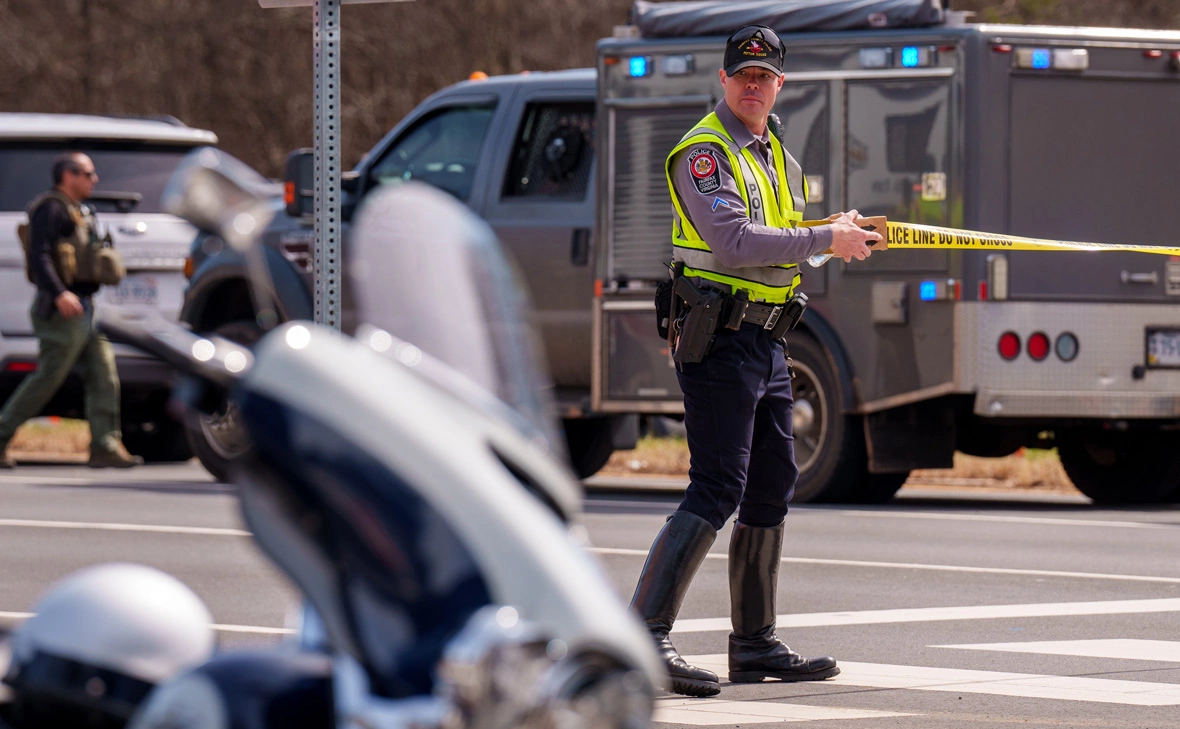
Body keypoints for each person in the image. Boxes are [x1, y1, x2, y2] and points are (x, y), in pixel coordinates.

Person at [629, 25, 882, 698]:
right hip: (719, 338)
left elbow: (780, 246)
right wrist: (825, 236)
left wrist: (838, 235)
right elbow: (735, 241)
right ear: (723, 80)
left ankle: (754, 642)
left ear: (779, 85)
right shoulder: (705, 152)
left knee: (772, 487)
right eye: (742, 73)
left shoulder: (775, 155)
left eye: (764, 75)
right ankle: (643, 637)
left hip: (769, 340)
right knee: (716, 486)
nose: (752, 84)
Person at [0, 152, 142, 469]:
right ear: (69, 176)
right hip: (60, 309)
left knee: (104, 373)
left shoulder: (80, 211)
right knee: (49, 377)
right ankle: (1, 434)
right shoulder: (49, 209)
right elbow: (40, 256)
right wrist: (60, 293)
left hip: (86, 308)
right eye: (88, 174)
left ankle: (104, 444)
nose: (95, 180)